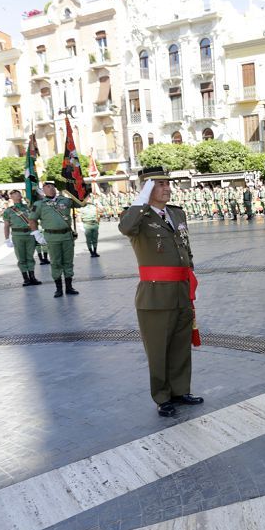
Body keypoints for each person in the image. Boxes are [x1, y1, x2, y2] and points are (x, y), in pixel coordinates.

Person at [118, 167, 204, 418]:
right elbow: (125, 227)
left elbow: (185, 249)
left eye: (168, 183)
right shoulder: (137, 217)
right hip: (155, 295)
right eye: (159, 184)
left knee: (180, 345)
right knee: (157, 349)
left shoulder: (177, 214)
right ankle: (162, 396)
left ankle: (180, 390)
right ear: (146, 189)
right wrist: (142, 198)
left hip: (181, 290)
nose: (167, 188)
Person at [28, 182, 85, 297]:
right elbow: (32, 220)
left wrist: (80, 187)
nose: (51, 189)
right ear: (43, 191)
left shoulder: (65, 200)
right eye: (47, 187)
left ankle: (69, 287)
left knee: (68, 262)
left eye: (52, 186)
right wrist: (36, 234)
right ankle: (58, 289)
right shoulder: (39, 204)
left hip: (67, 236)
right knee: (56, 263)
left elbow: (81, 203)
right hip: (52, 237)